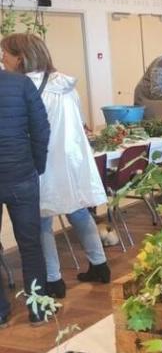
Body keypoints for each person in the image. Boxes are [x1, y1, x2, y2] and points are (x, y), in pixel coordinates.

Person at [1, 33, 111, 299]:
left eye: (5, 54)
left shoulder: (23, 86)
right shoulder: (63, 83)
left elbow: (33, 129)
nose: (2, 60)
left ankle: (53, 279)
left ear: (20, 57)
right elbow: (80, 120)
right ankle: (100, 264)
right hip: (71, 159)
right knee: (79, 211)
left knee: (41, 221)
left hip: (42, 160)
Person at [0, 35, 51, 325]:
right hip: (21, 174)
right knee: (30, 244)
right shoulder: (21, 84)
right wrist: (37, 166)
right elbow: (41, 129)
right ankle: (38, 309)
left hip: (18, 171)